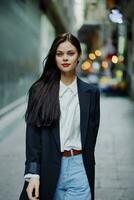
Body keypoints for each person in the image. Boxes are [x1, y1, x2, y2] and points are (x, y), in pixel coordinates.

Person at [19, 32, 100, 200]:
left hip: (79, 167)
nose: (65, 58)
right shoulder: (39, 91)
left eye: (70, 53)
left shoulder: (91, 93)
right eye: (59, 54)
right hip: (49, 167)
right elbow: (33, 139)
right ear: (54, 57)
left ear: (79, 56)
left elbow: (91, 136)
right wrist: (33, 174)